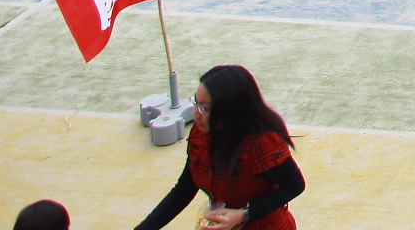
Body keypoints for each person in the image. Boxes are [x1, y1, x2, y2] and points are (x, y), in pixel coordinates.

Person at [129, 65, 306, 230]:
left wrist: (244, 214)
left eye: (204, 109)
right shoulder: (201, 134)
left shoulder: (262, 143)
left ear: (229, 112)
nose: (195, 114)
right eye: (195, 103)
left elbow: (294, 185)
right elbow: (184, 190)